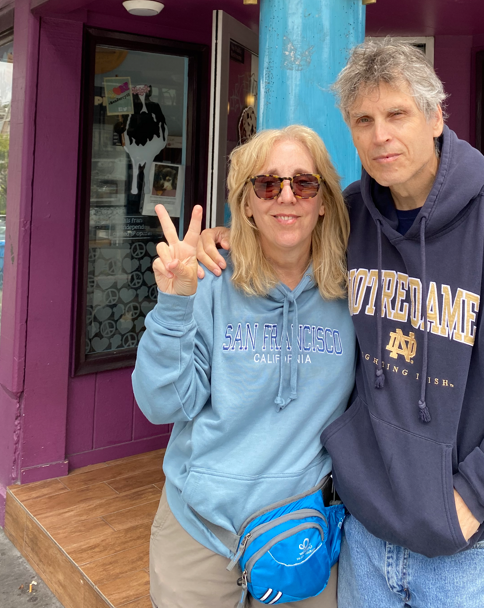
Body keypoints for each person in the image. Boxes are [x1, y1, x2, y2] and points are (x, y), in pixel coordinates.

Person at [196, 39, 484, 608]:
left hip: (465, 552)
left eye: (397, 114)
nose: (380, 135)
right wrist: (227, 237)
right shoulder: (351, 217)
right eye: (363, 120)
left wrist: (474, 498)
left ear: (435, 117)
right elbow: (287, 246)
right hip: (365, 539)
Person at [132, 125, 356, 608]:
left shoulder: (354, 289)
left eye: (304, 182)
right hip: (200, 531)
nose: (286, 196)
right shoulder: (209, 279)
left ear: (324, 201)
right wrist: (174, 304)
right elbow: (161, 403)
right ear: (246, 203)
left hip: (300, 531)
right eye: (267, 184)